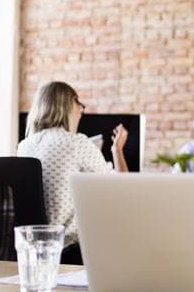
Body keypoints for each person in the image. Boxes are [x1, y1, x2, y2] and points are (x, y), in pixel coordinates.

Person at [17, 81, 129, 264]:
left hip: (34, 247)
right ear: (67, 105)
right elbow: (123, 187)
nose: (81, 111)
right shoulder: (76, 143)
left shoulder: (24, 146)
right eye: (79, 104)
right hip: (69, 248)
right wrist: (117, 150)